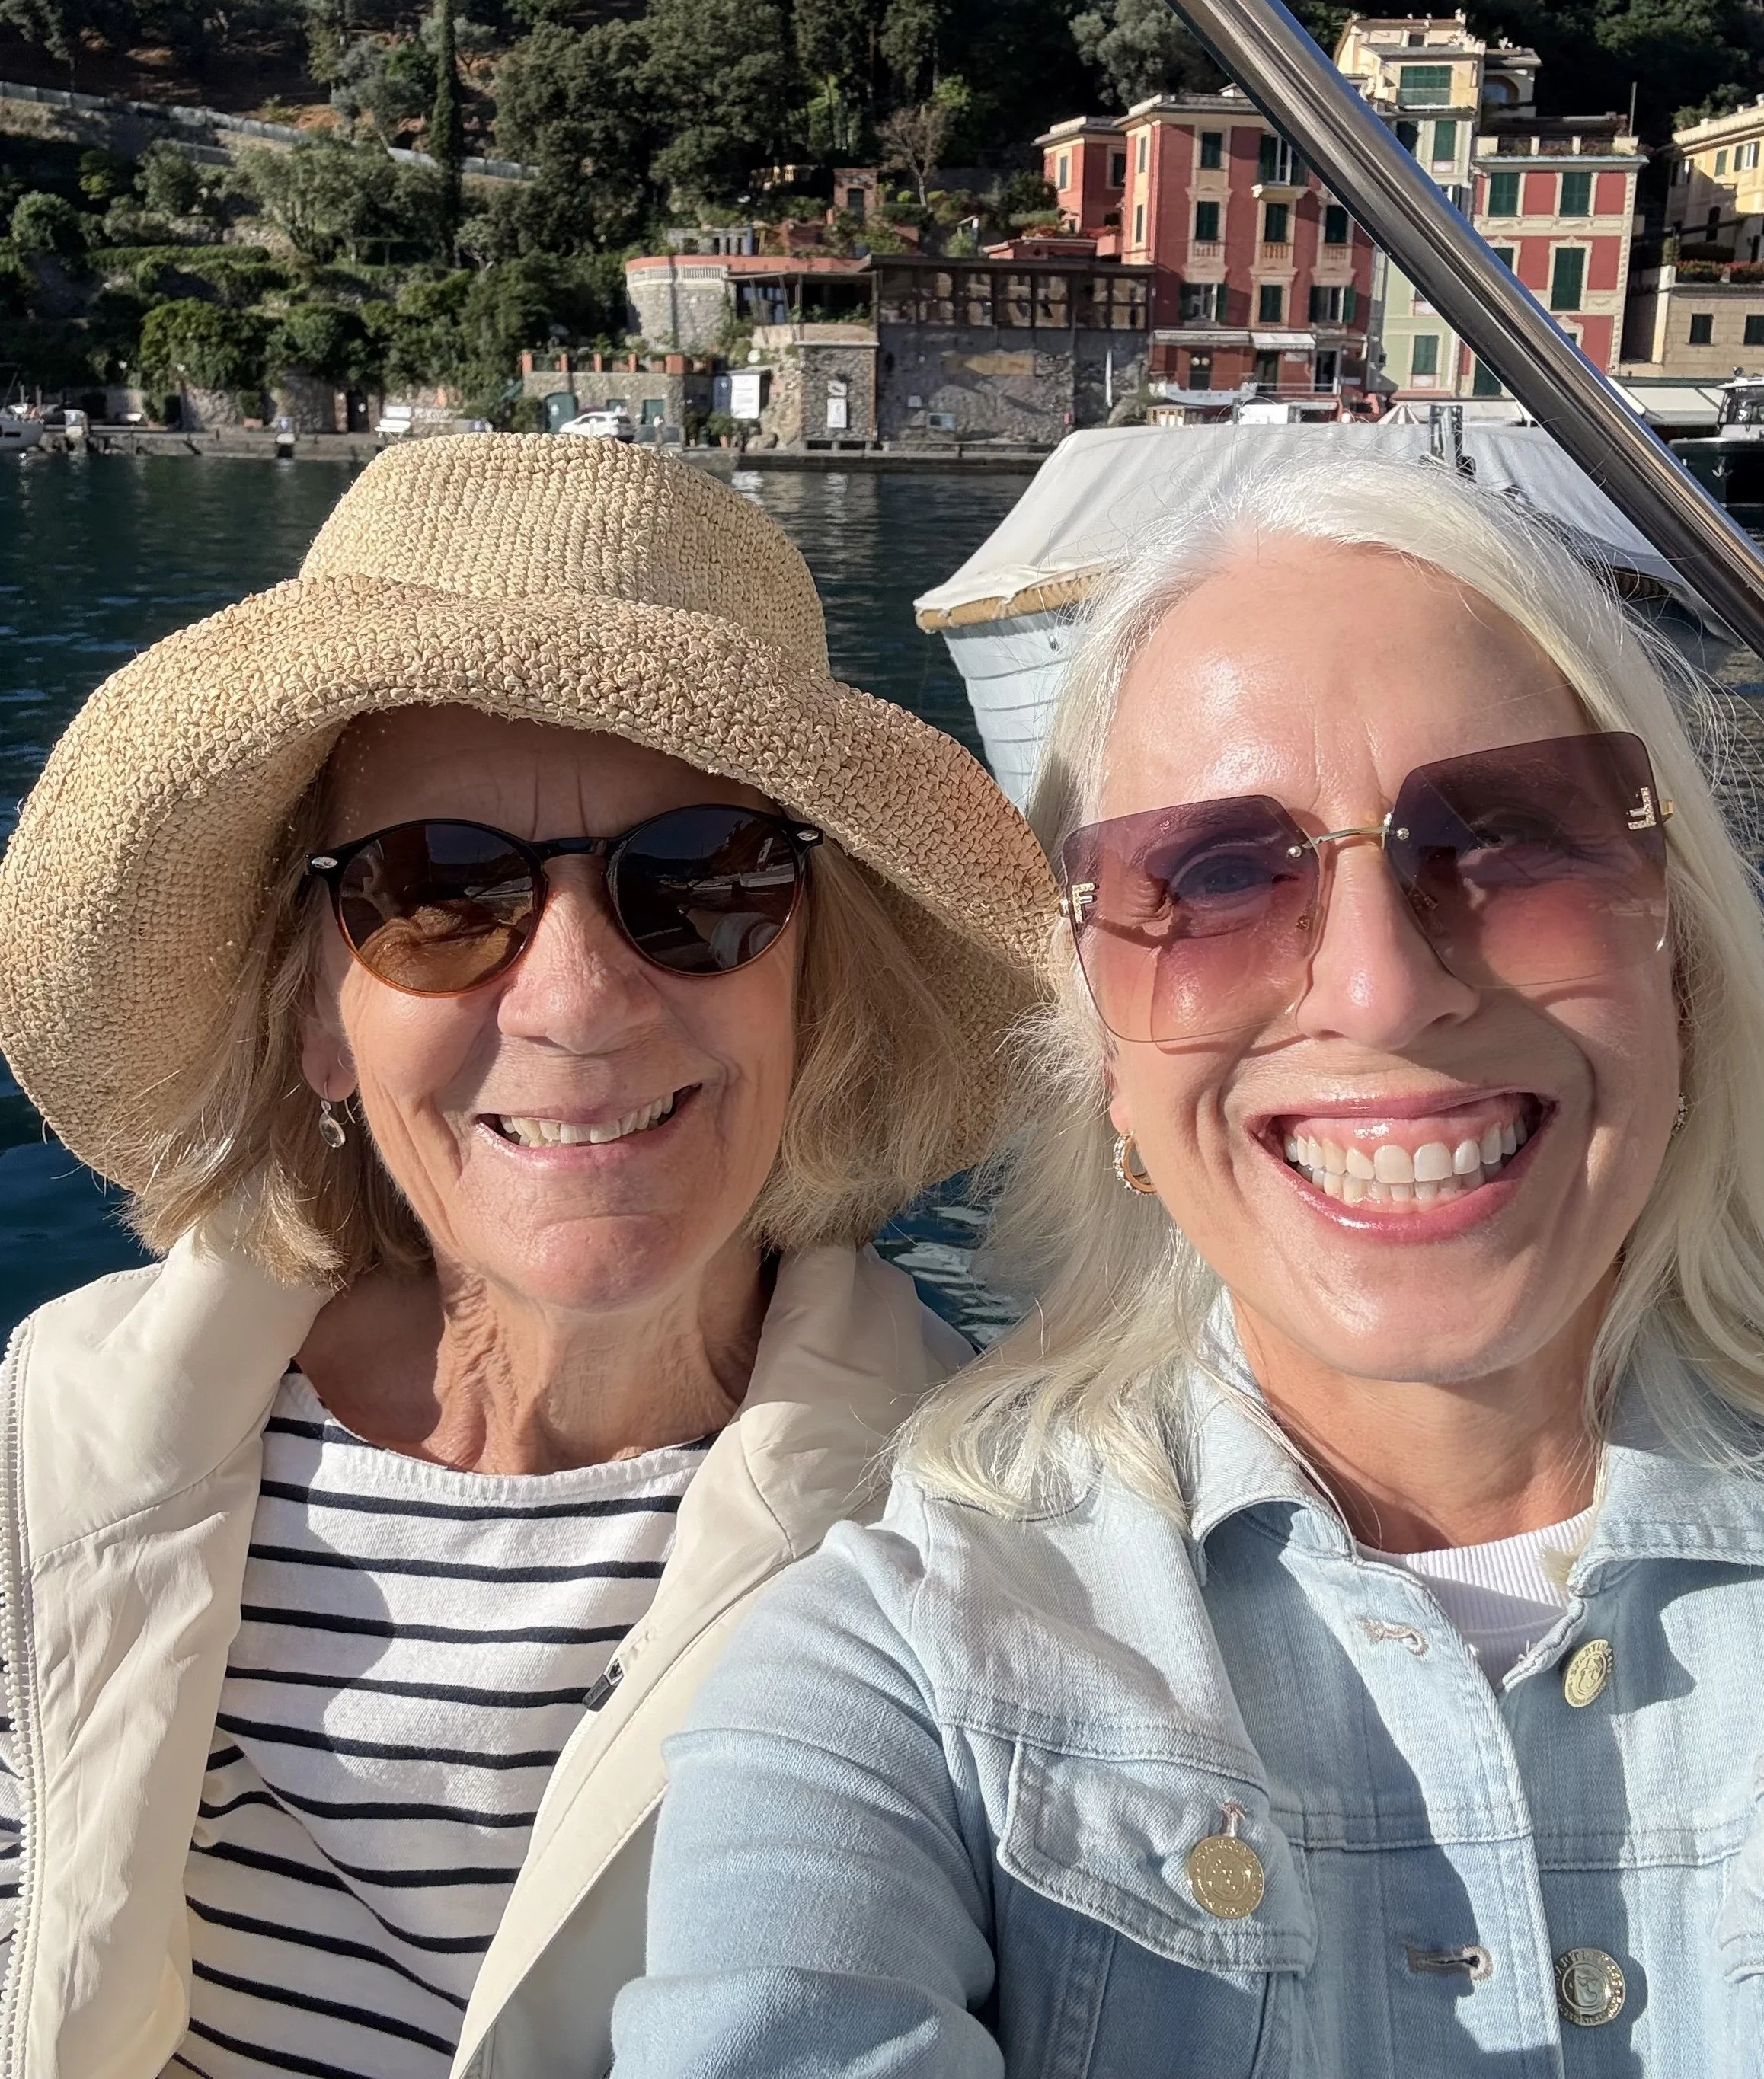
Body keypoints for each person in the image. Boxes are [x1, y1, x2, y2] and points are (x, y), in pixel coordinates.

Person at [613, 451, 1764, 2077]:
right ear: (1108, 1067)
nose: (1378, 989)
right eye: (1219, 878)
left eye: (1510, 838)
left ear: (1681, 963)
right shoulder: (905, 1678)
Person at [0, 433, 1053, 2079]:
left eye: (702, 878)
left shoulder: (990, 1532)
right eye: (438, 893)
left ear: (811, 979)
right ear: (318, 1014)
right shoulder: (57, 1443)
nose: (577, 999)